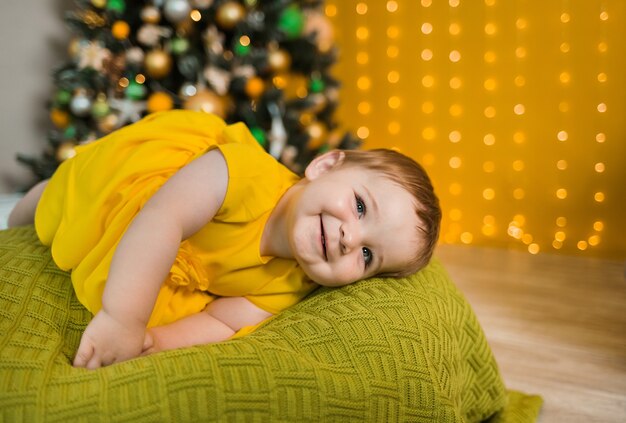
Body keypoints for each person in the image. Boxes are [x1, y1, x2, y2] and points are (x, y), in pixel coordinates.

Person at [8, 110, 441, 369]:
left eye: (368, 255)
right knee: (56, 204)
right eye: (361, 207)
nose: (350, 237)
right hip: (151, 195)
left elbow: (222, 321)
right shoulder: (244, 176)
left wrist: (153, 342)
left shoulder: (292, 284)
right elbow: (162, 218)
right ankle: (35, 196)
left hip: (181, 251)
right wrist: (124, 319)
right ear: (325, 167)